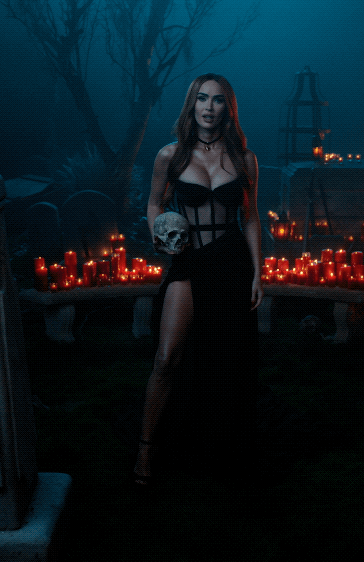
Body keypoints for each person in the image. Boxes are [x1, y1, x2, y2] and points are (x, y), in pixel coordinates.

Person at [133, 73, 263, 486]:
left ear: (229, 107)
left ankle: (218, 452)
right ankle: (145, 450)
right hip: (188, 260)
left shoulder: (245, 159)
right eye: (202, 99)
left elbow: (251, 218)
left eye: (218, 100)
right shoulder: (169, 155)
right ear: (191, 105)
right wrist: (161, 238)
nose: (209, 107)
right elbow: (154, 204)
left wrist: (259, 273)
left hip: (230, 262)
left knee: (225, 361)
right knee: (167, 357)